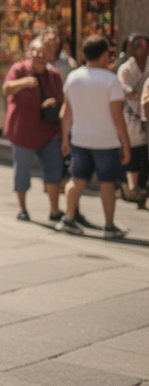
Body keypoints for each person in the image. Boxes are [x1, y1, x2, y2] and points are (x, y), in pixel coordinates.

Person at [57, 36, 133, 239]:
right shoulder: (110, 81)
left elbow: (66, 111)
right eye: (110, 53)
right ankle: (109, 225)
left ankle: (69, 218)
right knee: (108, 183)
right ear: (103, 55)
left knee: (77, 179)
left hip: (80, 139)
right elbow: (118, 117)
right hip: (106, 142)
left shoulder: (73, 77)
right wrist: (126, 145)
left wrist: (65, 138)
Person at [3, 38, 66, 222]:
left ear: (50, 56)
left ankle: (54, 211)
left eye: (44, 53)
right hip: (23, 130)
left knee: (54, 170)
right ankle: (22, 208)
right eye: (36, 52)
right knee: (22, 171)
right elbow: (6, 89)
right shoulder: (18, 70)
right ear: (29, 53)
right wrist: (23, 82)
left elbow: (62, 100)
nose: (40, 56)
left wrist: (53, 103)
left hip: (49, 131)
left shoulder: (54, 75)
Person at [115, 34, 147, 203]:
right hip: (132, 116)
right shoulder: (126, 68)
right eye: (138, 46)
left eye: (144, 46)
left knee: (144, 154)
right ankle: (130, 188)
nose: (141, 50)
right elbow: (124, 89)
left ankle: (140, 187)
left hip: (145, 117)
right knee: (133, 152)